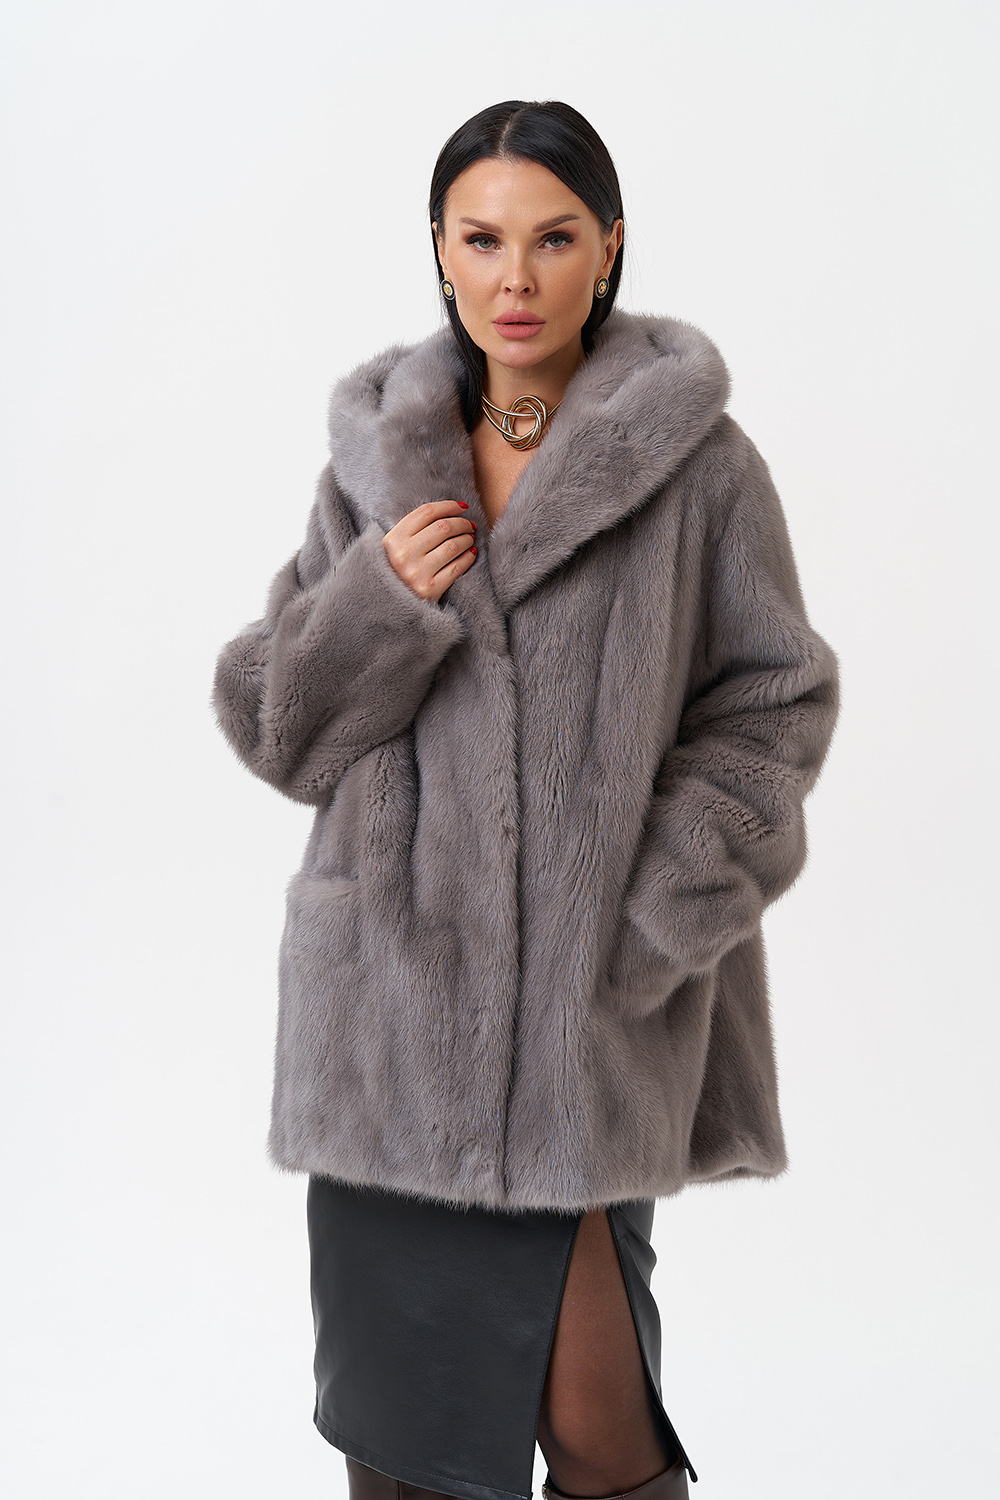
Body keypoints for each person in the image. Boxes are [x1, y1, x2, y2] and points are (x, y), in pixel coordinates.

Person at [211, 99, 839, 1500]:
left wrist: (652, 917)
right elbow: (277, 727)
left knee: (599, 1430)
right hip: (390, 1025)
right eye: (482, 238)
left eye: (553, 238)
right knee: (403, 1437)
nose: (515, 277)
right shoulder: (375, 467)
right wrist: (379, 600)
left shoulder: (699, 468)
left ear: (608, 247)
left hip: (585, 1020)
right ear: (440, 249)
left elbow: (774, 703)